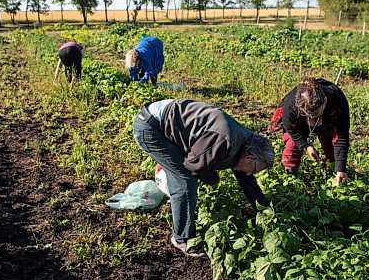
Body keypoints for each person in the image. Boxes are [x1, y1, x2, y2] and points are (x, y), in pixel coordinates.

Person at [133, 99, 274, 258]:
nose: (250, 174)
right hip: (151, 127)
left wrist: (265, 210)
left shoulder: (247, 144)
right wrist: (213, 179)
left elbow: (247, 181)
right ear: (250, 157)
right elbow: (194, 166)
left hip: (168, 119)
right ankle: (182, 239)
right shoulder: (224, 141)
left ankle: (177, 200)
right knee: (185, 182)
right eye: (253, 170)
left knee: (182, 174)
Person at [267, 77, 350, 185]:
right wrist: (306, 146)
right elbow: (290, 129)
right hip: (300, 120)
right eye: (309, 114)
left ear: (324, 100)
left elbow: (341, 136)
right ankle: (290, 179)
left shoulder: (337, 101)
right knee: (292, 146)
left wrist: (341, 169)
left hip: (328, 117)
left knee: (331, 147)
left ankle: (334, 171)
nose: (313, 117)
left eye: (316, 113)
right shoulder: (291, 106)